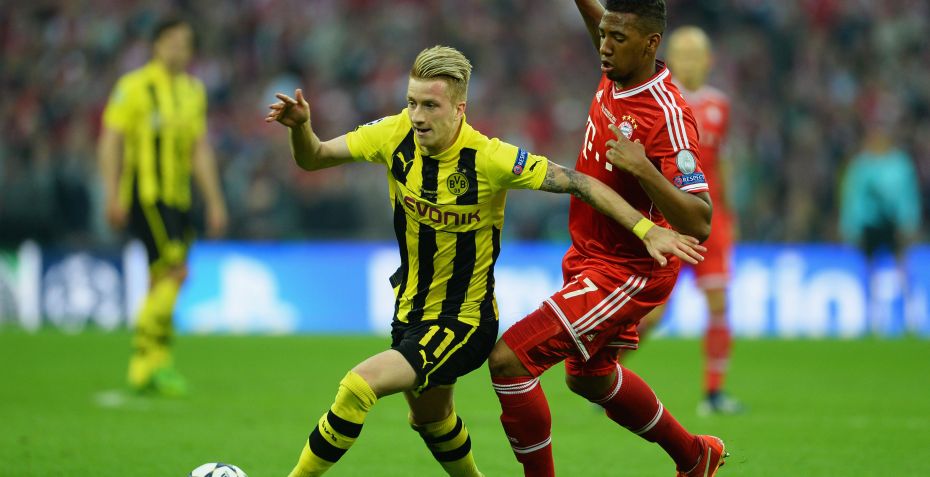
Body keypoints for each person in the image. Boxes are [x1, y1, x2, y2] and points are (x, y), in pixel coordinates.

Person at [265, 45, 706, 477]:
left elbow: (580, 183)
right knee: (430, 420)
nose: (417, 116)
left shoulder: (490, 158)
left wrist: (646, 229)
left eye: (430, 105)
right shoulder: (392, 134)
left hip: (464, 322)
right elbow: (314, 157)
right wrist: (300, 128)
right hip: (410, 311)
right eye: (412, 102)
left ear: (459, 109)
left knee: (358, 387)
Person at [487, 1, 729, 476]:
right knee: (590, 378)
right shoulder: (618, 68)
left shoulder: (667, 116)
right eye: (603, 35)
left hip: (627, 269)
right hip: (589, 255)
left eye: (617, 38)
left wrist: (644, 169)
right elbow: (603, 24)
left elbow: (700, 219)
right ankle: (694, 455)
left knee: (510, 360)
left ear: (650, 44)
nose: (604, 46)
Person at [98, 17, 228, 396]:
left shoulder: (193, 91)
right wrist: (111, 193)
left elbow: (199, 149)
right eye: (171, 41)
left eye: (185, 43)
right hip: (146, 196)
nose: (178, 50)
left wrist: (215, 200)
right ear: (155, 45)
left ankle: (156, 363)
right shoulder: (133, 87)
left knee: (162, 279)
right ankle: (145, 356)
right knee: (176, 271)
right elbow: (111, 140)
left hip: (179, 199)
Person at [629, 26, 743, 416]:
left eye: (696, 54)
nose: (689, 61)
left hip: (712, 220)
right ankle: (604, 374)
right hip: (670, 219)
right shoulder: (658, 101)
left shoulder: (719, 105)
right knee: (655, 312)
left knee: (718, 302)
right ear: (670, 58)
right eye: (682, 53)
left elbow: (722, 160)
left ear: (709, 60)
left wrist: (729, 212)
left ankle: (714, 393)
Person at [840, 125, 922, 331]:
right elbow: (853, 197)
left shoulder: (900, 164)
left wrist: (909, 221)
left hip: (894, 224)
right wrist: (851, 225)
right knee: (870, 271)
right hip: (869, 224)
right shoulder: (861, 165)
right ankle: (872, 317)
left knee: (902, 268)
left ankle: (911, 315)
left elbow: (908, 195)